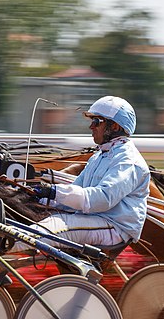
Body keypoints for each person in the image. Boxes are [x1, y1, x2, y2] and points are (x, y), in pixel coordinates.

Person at [11, 96, 151, 250]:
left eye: (97, 121)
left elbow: (102, 199)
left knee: (41, 231)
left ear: (115, 127)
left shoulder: (128, 161)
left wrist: (54, 192)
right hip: (92, 218)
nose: (91, 126)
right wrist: (39, 198)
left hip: (114, 226)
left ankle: (5, 248)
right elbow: (76, 190)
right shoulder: (100, 155)